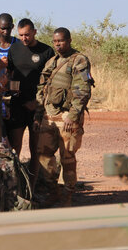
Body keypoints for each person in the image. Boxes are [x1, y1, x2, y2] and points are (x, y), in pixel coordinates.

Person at [36, 27, 93, 207]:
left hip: (68, 117)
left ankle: (67, 196)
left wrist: (73, 115)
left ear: (69, 40)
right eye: (55, 41)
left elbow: (83, 90)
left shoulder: (79, 60)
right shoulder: (52, 61)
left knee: (67, 158)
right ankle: (53, 192)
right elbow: (41, 87)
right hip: (50, 117)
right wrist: (40, 111)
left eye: (60, 41)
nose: (57, 44)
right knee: (44, 155)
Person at [7, 18, 55, 161]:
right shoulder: (14, 48)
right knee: (14, 147)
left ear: (34, 32)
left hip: (37, 106)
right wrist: (11, 88)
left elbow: (51, 81)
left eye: (27, 34)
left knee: (36, 149)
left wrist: (38, 102)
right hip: (17, 105)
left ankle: (33, 183)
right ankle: (16, 182)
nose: (24, 38)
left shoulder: (46, 51)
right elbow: (10, 73)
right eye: (21, 35)